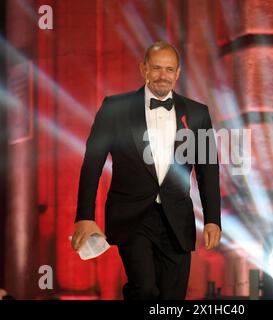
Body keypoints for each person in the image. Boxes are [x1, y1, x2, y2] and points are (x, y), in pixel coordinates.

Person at [71, 41, 221, 300]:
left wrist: (212, 219)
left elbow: (208, 170)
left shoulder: (198, 113)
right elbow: (92, 163)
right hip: (132, 215)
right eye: (156, 68)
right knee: (145, 289)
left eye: (169, 69)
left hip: (177, 218)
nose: (163, 75)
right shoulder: (114, 108)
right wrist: (84, 216)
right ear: (143, 69)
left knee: (172, 297)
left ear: (178, 73)